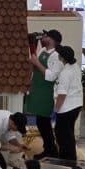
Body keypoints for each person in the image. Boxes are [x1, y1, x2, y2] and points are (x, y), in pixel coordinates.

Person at [24, 30, 64, 160]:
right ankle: (48, 149)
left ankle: (51, 151)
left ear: (52, 40)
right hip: (37, 90)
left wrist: (36, 63)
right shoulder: (43, 51)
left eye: (46, 36)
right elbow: (36, 68)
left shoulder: (56, 55)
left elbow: (51, 76)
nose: (43, 38)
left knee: (45, 123)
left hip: (46, 93)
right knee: (41, 123)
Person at [53, 45, 83, 162]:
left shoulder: (65, 73)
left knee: (62, 134)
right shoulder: (75, 67)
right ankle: (69, 158)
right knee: (69, 133)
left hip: (67, 107)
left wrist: (55, 110)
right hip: (76, 105)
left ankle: (67, 160)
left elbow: (62, 95)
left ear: (62, 58)